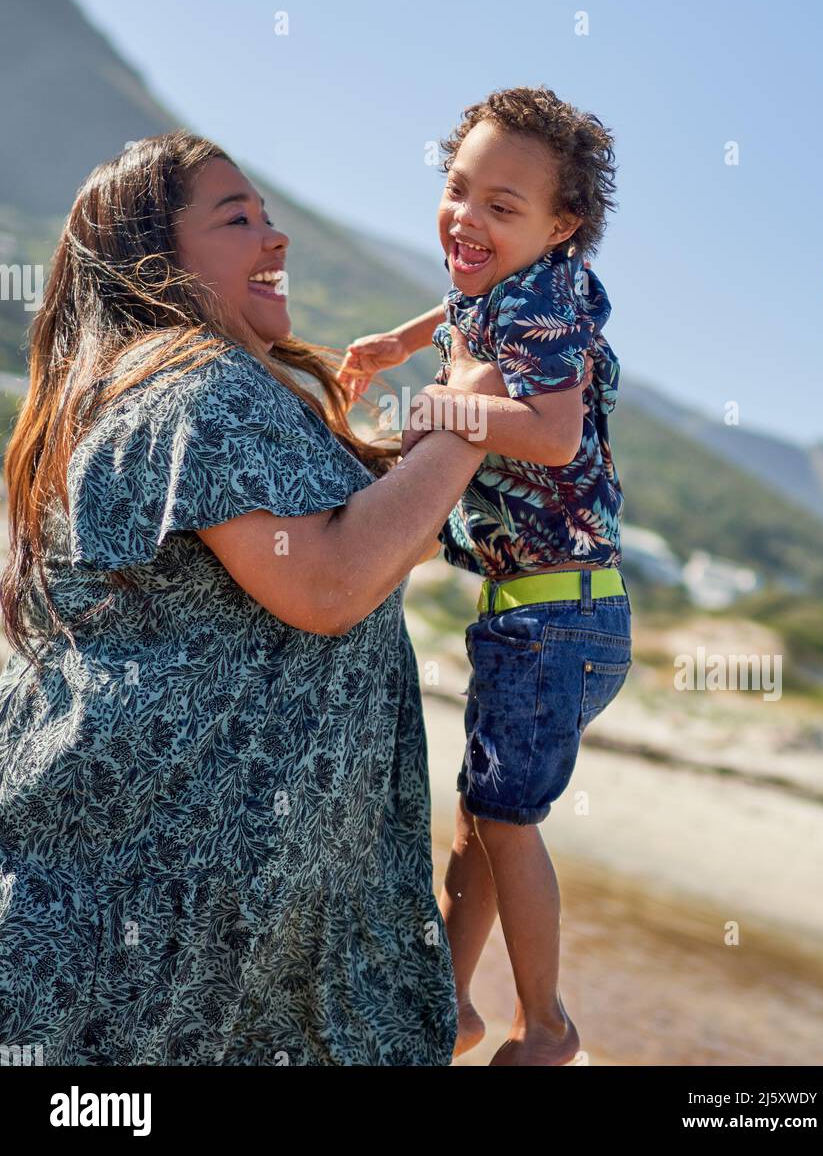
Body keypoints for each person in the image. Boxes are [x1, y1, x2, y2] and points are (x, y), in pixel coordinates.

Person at [0, 130, 514, 1066]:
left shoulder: (203, 387)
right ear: (151, 256)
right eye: (238, 220)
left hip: (180, 936)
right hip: (148, 937)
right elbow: (325, 583)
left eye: (272, 218)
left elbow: (351, 549)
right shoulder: (194, 386)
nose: (275, 241)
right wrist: (468, 416)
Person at [338, 85, 631, 1066]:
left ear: (563, 227)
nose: (467, 218)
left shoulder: (544, 301)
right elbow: (465, 303)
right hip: (541, 608)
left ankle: (544, 1026)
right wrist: (401, 341)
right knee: (481, 819)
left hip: (560, 618)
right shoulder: (511, 279)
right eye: (458, 188)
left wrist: (447, 410)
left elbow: (549, 435)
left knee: (507, 823)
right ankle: (450, 1002)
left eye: (502, 208)